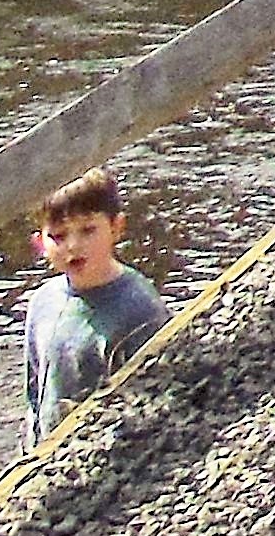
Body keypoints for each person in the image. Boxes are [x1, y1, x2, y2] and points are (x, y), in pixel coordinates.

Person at [22, 167, 174, 444]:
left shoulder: (140, 308)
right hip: (48, 449)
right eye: (58, 236)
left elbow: (155, 397)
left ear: (116, 228)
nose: (73, 246)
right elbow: (35, 390)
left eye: (88, 230)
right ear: (39, 243)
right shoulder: (42, 302)